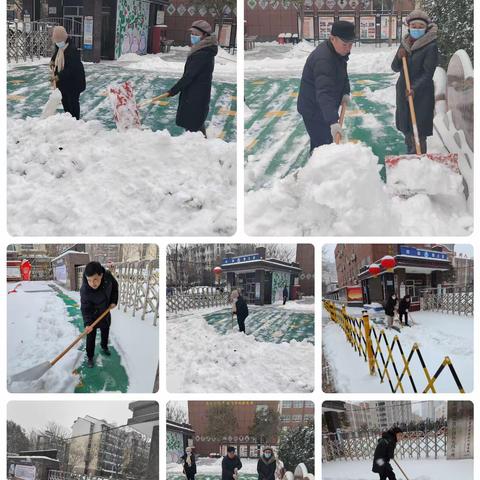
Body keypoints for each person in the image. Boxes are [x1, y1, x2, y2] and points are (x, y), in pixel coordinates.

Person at [297, 20, 355, 153]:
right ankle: (315, 172)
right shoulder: (324, 59)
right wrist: (333, 121)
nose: (348, 48)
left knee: (323, 145)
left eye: (351, 44)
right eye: (345, 44)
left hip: (323, 107)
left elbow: (343, 75)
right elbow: (324, 92)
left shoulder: (338, 52)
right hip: (314, 110)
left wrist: (345, 92)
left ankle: (317, 170)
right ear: (332, 39)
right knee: (323, 147)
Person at [391, 10, 438, 154]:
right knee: (407, 129)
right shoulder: (405, 44)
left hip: (420, 94)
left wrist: (414, 88)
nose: (416, 29)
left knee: (418, 131)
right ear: (409, 27)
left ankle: (419, 158)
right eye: (414, 26)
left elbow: (428, 73)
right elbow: (394, 67)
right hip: (404, 92)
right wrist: (399, 57)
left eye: (420, 26)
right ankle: (410, 157)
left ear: (426, 28)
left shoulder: (430, 46)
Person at [164, 20, 218, 137]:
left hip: (196, 94)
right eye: (192, 33)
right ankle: (198, 145)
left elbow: (189, 76)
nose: (192, 36)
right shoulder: (203, 49)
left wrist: (172, 91)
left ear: (204, 35)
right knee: (196, 122)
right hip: (196, 92)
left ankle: (196, 149)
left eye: (196, 34)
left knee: (193, 123)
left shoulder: (203, 53)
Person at [80, 261, 118, 368]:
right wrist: (87, 323)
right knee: (90, 335)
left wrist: (114, 301)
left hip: (105, 311)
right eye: (89, 280)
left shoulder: (108, 278)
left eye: (95, 279)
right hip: (92, 315)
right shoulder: (85, 290)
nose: (92, 283)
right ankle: (90, 357)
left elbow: (115, 287)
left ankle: (104, 346)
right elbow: (85, 308)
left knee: (105, 330)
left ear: (101, 275)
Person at [49, 26, 86, 120]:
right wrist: (52, 61)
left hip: (74, 81)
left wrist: (58, 77)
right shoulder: (60, 47)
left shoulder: (72, 49)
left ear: (64, 39)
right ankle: (68, 119)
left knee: (73, 102)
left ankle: (75, 121)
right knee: (65, 100)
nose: (58, 43)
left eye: (59, 41)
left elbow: (71, 69)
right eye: (56, 41)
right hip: (64, 82)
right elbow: (56, 54)